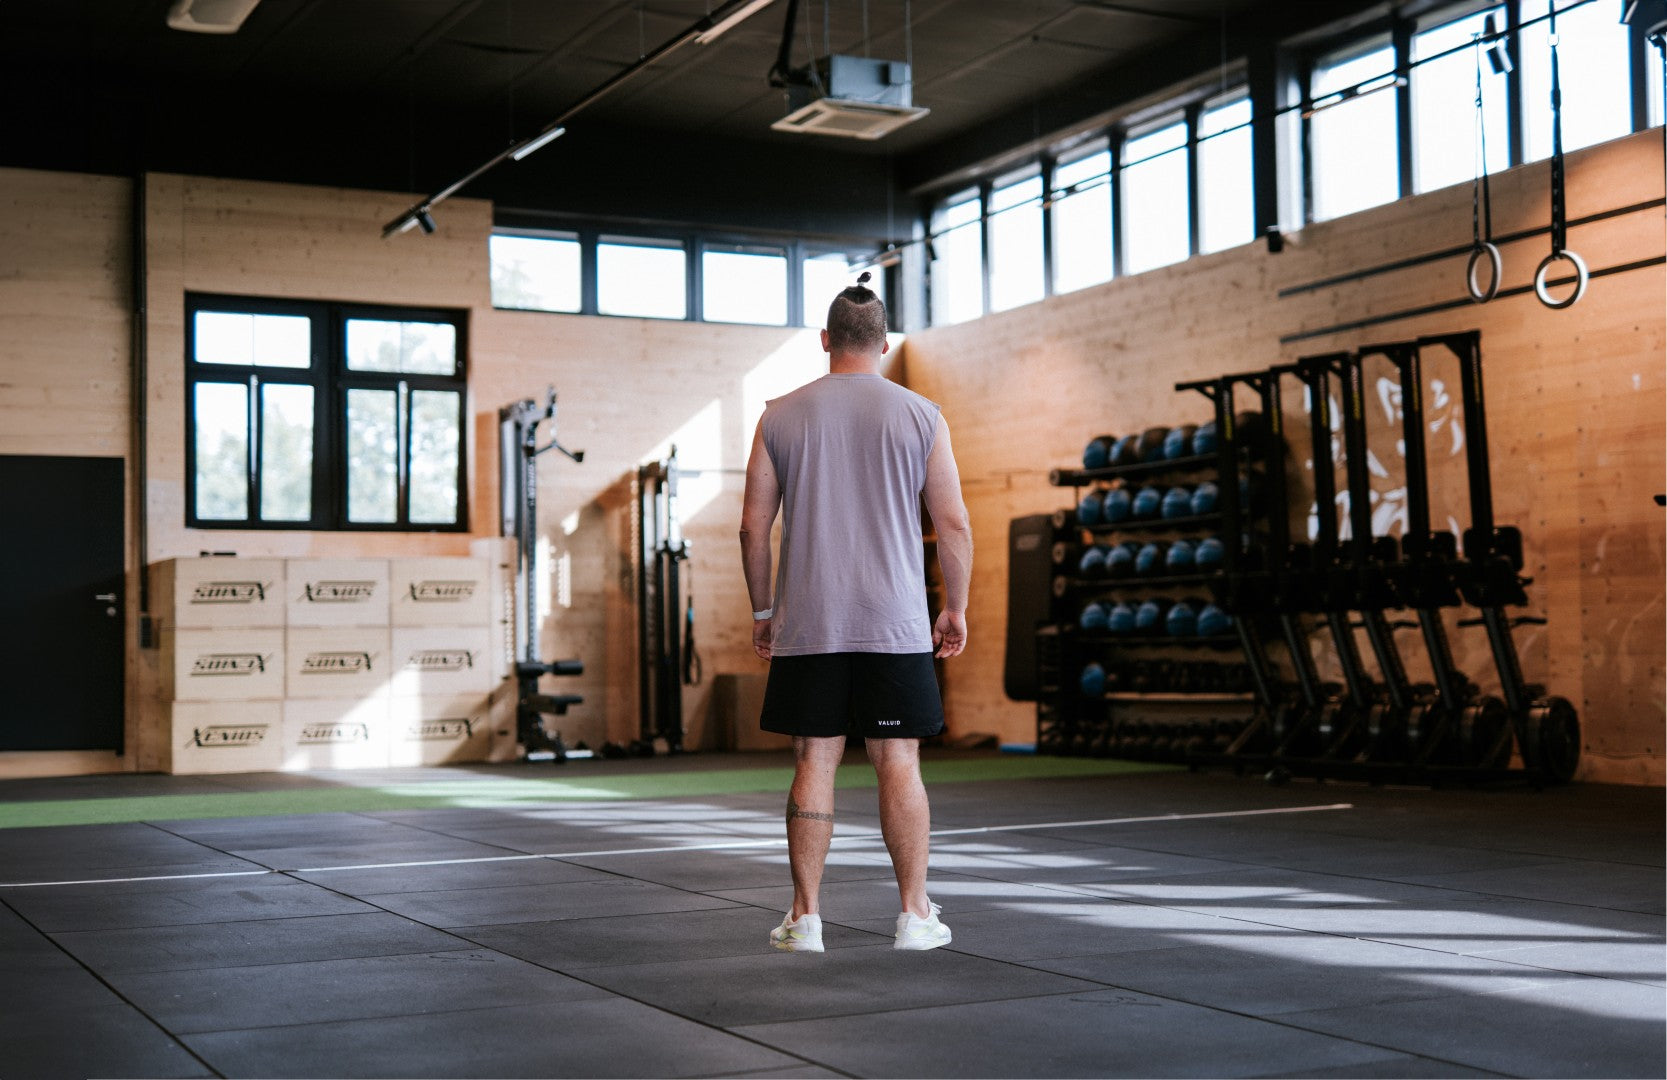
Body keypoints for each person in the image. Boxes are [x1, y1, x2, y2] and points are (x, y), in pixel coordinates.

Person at [739, 271, 972, 954]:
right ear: (884, 342)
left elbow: (753, 528)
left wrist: (762, 610)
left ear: (824, 340)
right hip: (895, 620)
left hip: (808, 622)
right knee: (897, 757)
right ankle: (913, 915)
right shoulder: (920, 413)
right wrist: (953, 608)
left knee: (814, 755)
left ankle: (804, 917)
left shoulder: (778, 413)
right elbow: (952, 525)